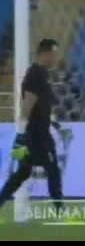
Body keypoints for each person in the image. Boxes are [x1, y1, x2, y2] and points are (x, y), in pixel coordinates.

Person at [0, 39, 64, 213]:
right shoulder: (36, 74)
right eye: (54, 54)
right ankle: (60, 210)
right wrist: (21, 133)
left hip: (34, 132)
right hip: (37, 135)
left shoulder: (41, 74)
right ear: (45, 54)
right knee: (52, 169)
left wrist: (52, 121)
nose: (56, 58)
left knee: (22, 173)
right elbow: (28, 103)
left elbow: (41, 105)